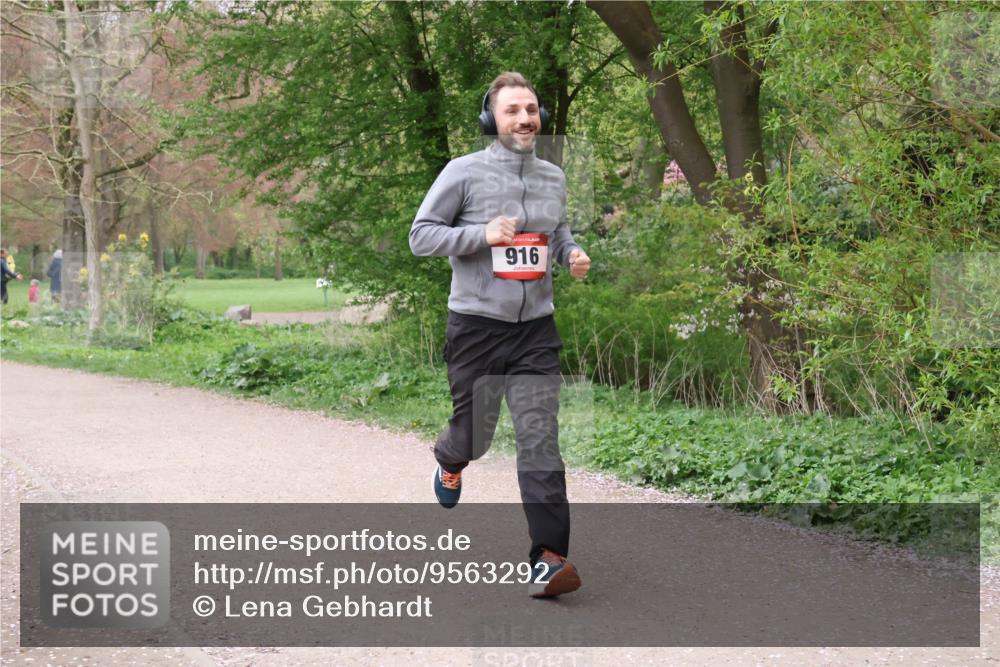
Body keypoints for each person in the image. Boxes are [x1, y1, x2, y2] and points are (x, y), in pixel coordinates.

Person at [409, 72, 591, 599]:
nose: (525, 118)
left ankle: (549, 559)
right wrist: (480, 235)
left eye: (531, 109)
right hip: (476, 329)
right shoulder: (462, 172)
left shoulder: (552, 177)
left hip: (536, 330)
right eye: (512, 110)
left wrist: (570, 254)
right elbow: (421, 236)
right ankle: (450, 456)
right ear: (492, 119)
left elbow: (556, 232)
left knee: (540, 440)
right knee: (476, 435)